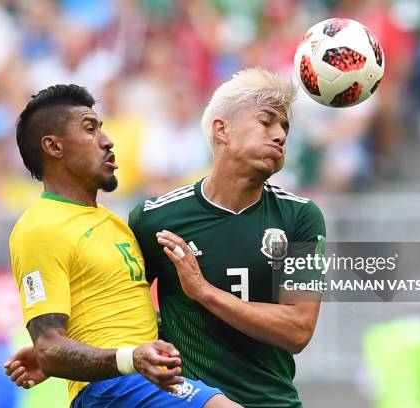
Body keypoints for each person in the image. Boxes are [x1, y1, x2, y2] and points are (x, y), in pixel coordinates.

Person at [4, 84, 239, 408]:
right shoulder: (39, 227)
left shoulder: (114, 224)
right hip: (112, 389)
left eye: (101, 127)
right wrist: (129, 357)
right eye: (90, 129)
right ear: (54, 147)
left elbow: (119, 320)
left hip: (141, 380)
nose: (107, 140)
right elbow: (48, 346)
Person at [128, 68, 326, 407]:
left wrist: (204, 293)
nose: (280, 135)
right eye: (267, 122)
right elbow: (125, 311)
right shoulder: (155, 218)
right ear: (222, 130)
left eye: (285, 127)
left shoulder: (301, 216)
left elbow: (298, 329)